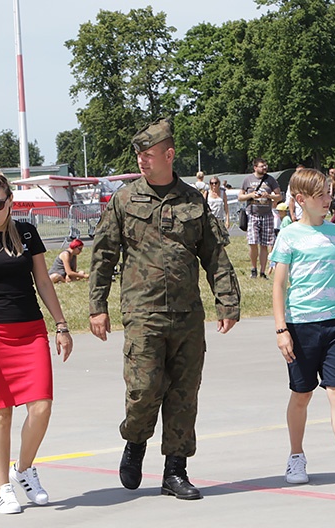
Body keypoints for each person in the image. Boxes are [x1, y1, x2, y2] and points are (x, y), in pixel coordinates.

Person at [89, 118, 240, 501]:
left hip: (188, 315)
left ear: (169, 155)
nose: (141, 160)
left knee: (184, 394)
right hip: (142, 312)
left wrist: (227, 300)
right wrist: (97, 306)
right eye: (138, 154)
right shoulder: (124, 200)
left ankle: (175, 470)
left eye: (148, 154)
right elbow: (104, 255)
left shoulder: (193, 200)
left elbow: (215, 255)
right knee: (143, 390)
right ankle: (135, 441)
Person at [0, 169, 73, 515]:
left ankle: (23, 471)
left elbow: (44, 282)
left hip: (30, 329)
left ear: (10, 202)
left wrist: (61, 325)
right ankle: (3, 487)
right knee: (1, 413)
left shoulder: (27, 232)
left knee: (41, 406)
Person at [271, 169, 335, 491]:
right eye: (321, 196)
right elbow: (278, 286)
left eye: (330, 193)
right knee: (301, 394)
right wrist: (281, 329)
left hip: (334, 324)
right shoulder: (289, 235)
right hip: (300, 325)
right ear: (301, 200)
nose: (328, 200)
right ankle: (296, 455)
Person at [239, 158, 282, 279]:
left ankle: (262, 272)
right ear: (255, 167)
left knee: (265, 244)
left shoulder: (271, 180)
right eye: (262, 166)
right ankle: (254, 269)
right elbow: (240, 197)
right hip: (252, 214)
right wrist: (251, 195)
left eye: (265, 165)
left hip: (267, 215)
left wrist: (269, 196)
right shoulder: (248, 180)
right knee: (253, 242)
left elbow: (279, 196)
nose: (265, 167)